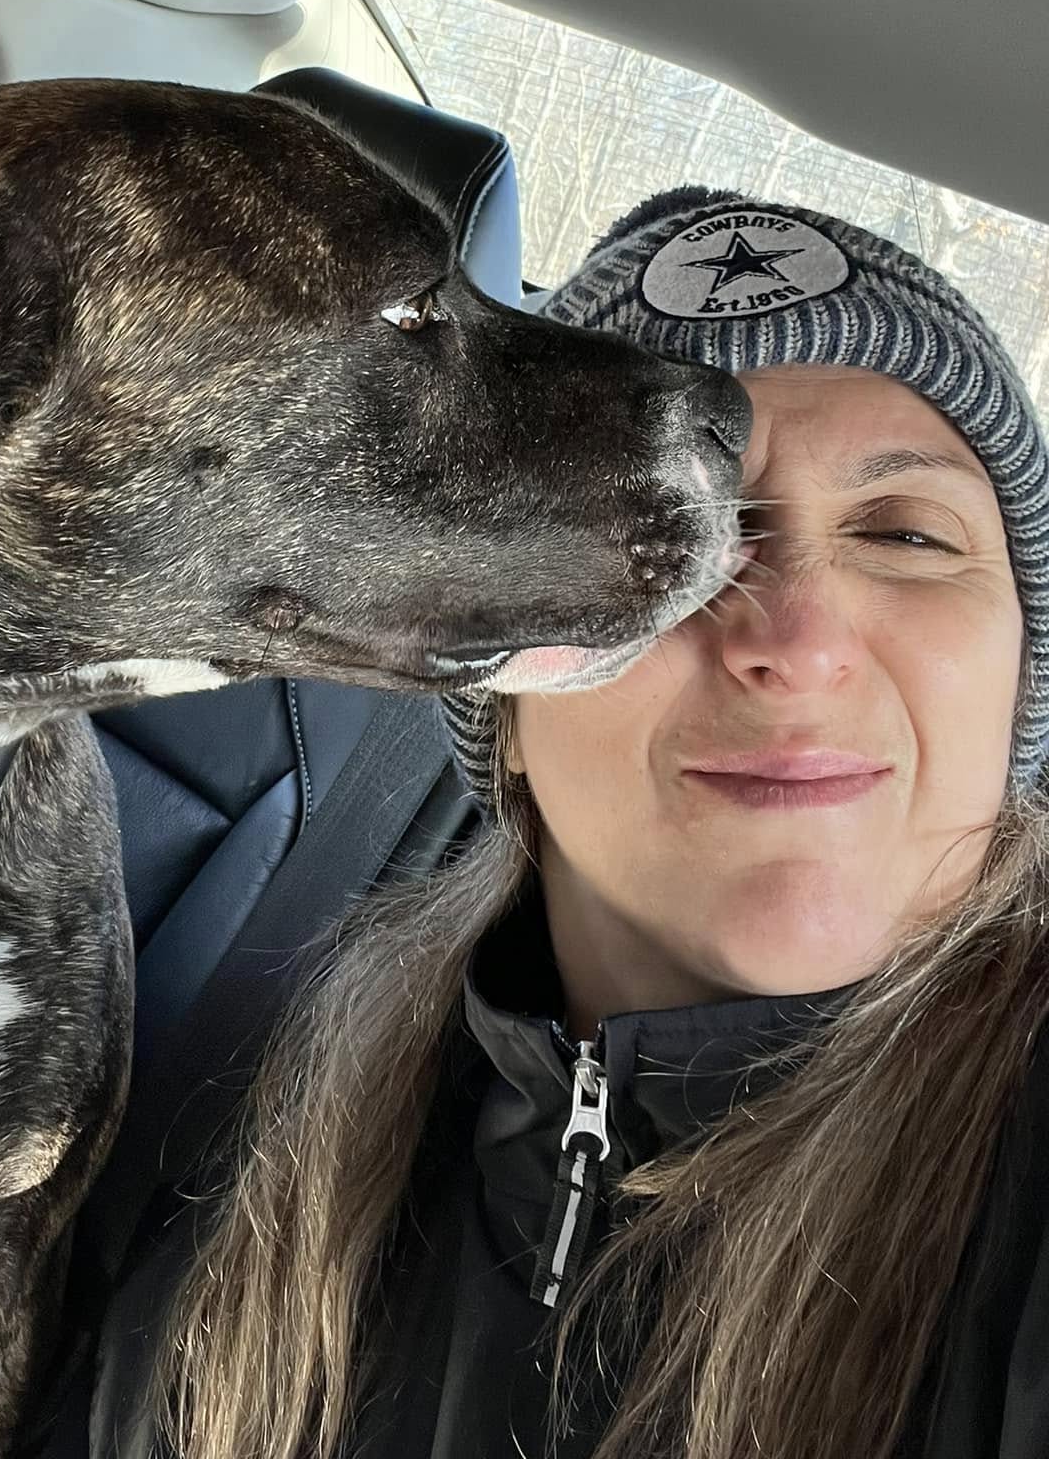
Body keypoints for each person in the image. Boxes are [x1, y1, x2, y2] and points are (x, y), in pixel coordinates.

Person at [64, 185, 1049, 1459]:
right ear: (505, 705)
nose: (797, 643)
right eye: (672, 535)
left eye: (907, 533)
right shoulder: (282, 1127)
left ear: (1024, 679)